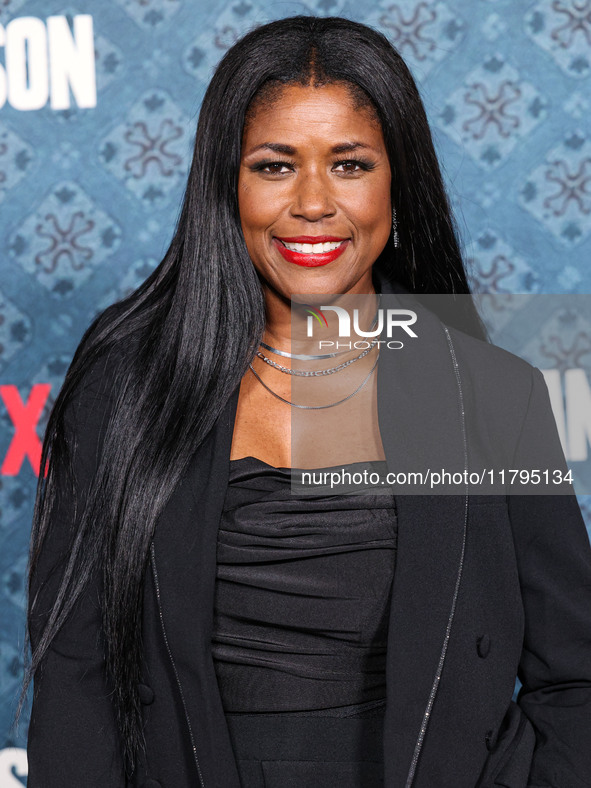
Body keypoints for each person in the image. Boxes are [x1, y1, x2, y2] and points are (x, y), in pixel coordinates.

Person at [24, 15, 591, 788]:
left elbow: (575, 679)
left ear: (398, 181)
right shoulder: (126, 388)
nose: (314, 203)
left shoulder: (491, 396)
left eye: (350, 164)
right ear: (227, 185)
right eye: (275, 166)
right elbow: (74, 682)